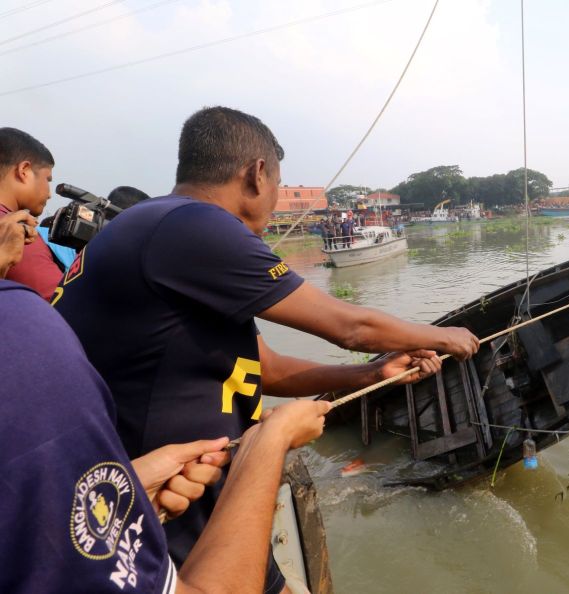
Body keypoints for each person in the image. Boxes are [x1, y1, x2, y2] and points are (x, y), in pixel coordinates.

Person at [55, 106, 479, 593]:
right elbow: (351, 326)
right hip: (162, 514)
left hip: (195, 501)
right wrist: (444, 336)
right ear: (257, 174)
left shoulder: (164, 232)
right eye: (279, 186)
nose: (276, 203)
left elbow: (266, 368)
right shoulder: (194, 226)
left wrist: (368, 375)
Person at [0, 277, 331, 593]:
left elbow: (40, 533)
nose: (27, 226)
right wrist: (271, 443)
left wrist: (129, 493)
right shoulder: (19, 329)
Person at [0, 127, 60, 300]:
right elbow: (62, 304)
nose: (49, 194)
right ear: (24, 171)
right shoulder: (15, 232)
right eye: (47, 179)